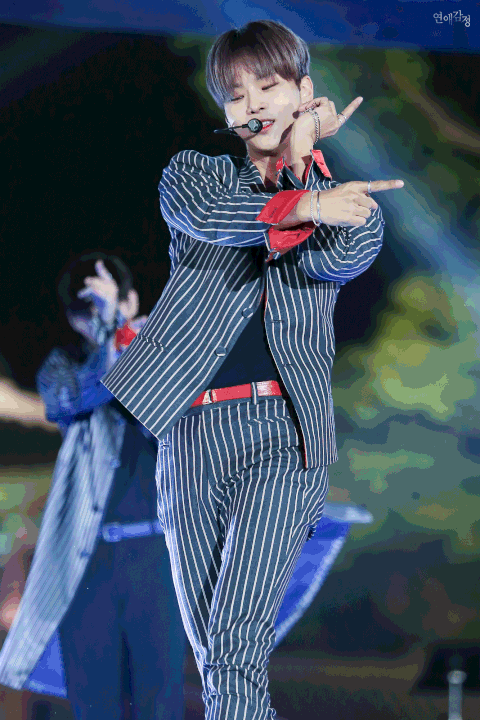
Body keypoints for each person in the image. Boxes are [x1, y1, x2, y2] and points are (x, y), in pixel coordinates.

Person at [102, 20, 404, 720]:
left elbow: (338, 257)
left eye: (268, 86)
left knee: (236, 639)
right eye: (236, 95)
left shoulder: (347, 203)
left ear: (305, 92)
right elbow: (214, 216)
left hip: (282, 435)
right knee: (215, 652)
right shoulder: (197, 175)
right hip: (189, 435)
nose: (253, 104)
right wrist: (303, 199)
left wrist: (307, 172)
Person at [0, 253, 186, 720]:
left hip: (156, 557)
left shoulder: (162, 355)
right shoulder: (62, 366)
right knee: (93, 702)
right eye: (88, 311)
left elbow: (166, 404)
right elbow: (82, 394)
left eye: (109, 303)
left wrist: (125, 334)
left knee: (160, 703)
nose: (98, 318)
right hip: (86, 562)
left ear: (133, 301)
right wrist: (111, 336)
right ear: (73, 320)